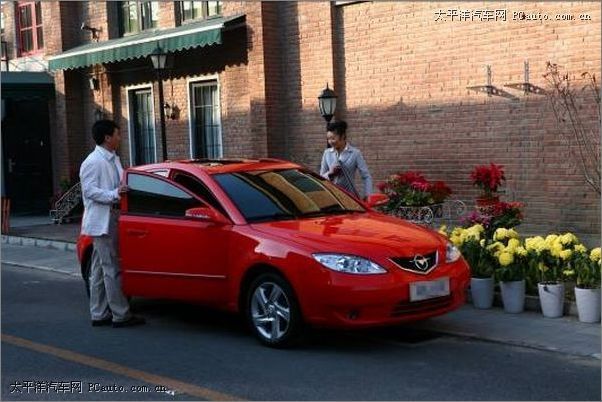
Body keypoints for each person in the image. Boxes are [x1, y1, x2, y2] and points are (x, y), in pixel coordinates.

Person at [80, 119, 145, 328]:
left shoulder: (113, 158)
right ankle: (120, 314)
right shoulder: (92, 161)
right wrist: (114, 194)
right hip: (102, 221)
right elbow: (89, 191)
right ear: (107, 137)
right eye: (117, 134)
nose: (120, 137)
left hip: (113, 217)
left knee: (99, 268)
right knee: (111, 268)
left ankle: (98, 313)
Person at [320, 120, 373, 199]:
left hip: (349, 197)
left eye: (333, 138)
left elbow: (366, 176)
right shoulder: (327, 153)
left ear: (343, 136)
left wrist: (367, 195)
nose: (330, 142)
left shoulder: (355, 153)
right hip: (332, 197)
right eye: (328, 139)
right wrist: (330, 173)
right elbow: (320, 177)